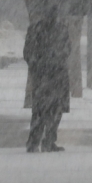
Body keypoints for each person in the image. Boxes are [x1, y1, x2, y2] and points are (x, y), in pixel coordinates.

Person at [24, 8, 72, 153]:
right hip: (51, 75)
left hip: (49, 75)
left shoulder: (38, 29)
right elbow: (29, 53)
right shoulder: (56, 29)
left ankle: (40, 142)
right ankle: (44, 141)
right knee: (47, 109)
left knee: (46, 109)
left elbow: (28, 53)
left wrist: (38, 64)